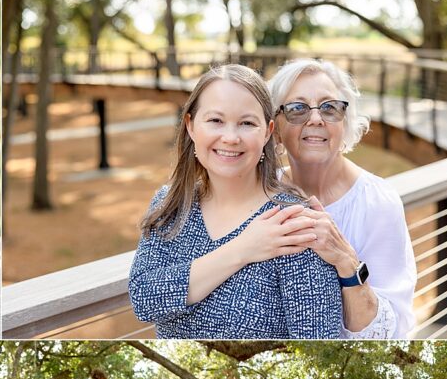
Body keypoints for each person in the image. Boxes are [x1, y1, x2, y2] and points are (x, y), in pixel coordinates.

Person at [128, 64, 342, 339]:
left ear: (267, 132)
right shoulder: (171, 203)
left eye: (247, 123)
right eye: (216, 120)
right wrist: (242, 249)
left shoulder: (294, 224)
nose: (230, 138)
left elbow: (318, 342)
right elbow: (144, 300)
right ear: (191, 126)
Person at [269, 58, 417, 338]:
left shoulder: (378, 203)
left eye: (329, 107)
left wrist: (346, 261)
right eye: (297, 108)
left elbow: (390, 333)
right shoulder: (260, 191)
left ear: (345, 120)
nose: (315, 118)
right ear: (274, 125)